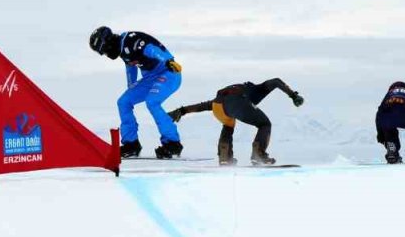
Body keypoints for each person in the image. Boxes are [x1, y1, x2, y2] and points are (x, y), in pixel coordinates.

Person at [89, 26, 183, 159]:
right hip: (150, 78)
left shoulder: (131, 40)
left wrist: (167, 61)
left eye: (104, 50)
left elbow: (151, 49)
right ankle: (131, 144)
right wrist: (131, 88)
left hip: (169, 72)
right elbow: (130, 66)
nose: (106, 54)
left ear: (108, 43)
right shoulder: (122, 48)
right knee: (124, 102)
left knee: (152, 102)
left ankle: (173, 143)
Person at [169, 79, 304, 166]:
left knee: (228, 125)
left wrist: (182, 111)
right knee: (264, 124)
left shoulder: (235, 90)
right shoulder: (256, 89)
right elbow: (276, 81)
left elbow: (205, 105)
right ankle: (258, 155)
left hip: (218, 105)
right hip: (236, 102)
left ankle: (225, 157)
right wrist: (293, 95)